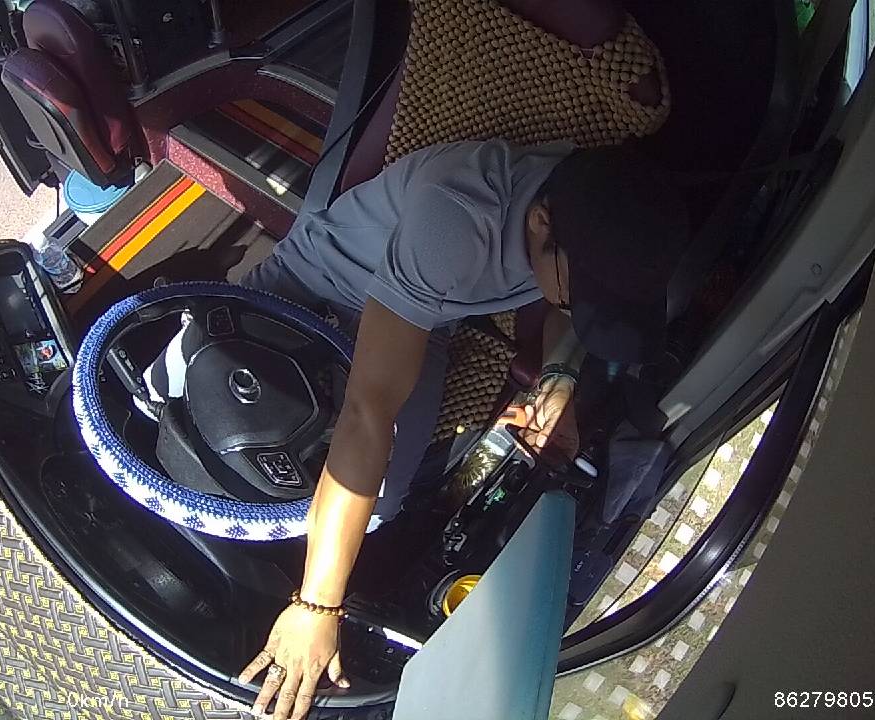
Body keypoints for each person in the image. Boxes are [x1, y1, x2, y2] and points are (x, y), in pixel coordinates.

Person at [149, 139, 686, 720]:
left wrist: (559, 378)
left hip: (428, 320)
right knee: (200, 427)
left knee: (379, 507)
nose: (581, 304)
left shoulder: (588, 209)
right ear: (540, 221)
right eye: (585, 295)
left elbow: (562, 302)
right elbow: (368, 411)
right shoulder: (458, 216)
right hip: (316, 286)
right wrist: (317, 606)